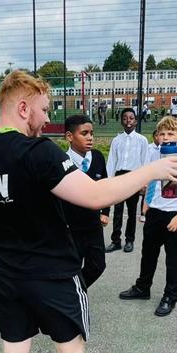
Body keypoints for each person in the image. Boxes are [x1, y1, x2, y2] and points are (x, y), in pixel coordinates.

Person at [0, 71, 177, 353]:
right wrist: (153, 170)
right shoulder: (39, 152)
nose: (46, 119)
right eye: (43, 110)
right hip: (51, 273)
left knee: (15, 352)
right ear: (22, 107)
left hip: (3, 274)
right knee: (70, 347)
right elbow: (96, 194)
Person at [119, 115, 177, 317]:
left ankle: (170, 296)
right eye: (162, 134)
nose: (165, 137)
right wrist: (146, 205)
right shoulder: (154, 156)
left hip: (174, 215)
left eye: (171, 133)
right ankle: (142, 287)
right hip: (155, 212)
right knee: (148, 254)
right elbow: (150, 182)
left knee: (173, 259)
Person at [61, 115, 109, 289]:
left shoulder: (97, 157)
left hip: (93, 225)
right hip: (70, 229)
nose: (90, 137)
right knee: (71, 267)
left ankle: (75, 291)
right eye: (84, 133)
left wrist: (105, 212)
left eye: (91, 133)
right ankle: (74, 296)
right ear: (69, 136)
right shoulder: (61, 161)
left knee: (97, 265)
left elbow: (104, 184)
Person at [105, 108, 150, 253]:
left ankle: (129, 240)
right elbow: (112, 160)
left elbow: (145, 161)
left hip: (133, 177)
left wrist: (144, 181)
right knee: (117, 211)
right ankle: (115, 240)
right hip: (119, 177)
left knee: (131, 211)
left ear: (136, 121)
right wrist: (109, 180)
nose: (128, 121)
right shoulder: (117, 140)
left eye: (131, 118)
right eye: (125, 118)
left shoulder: (142, 140)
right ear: (121, 121)